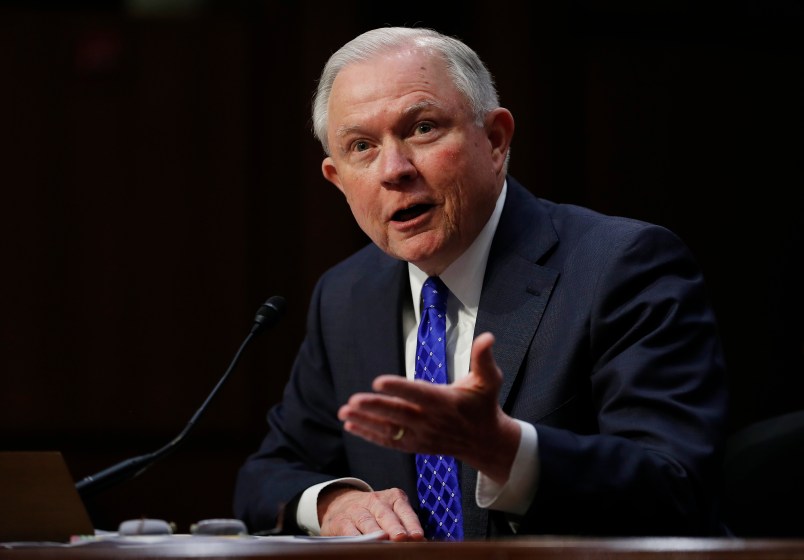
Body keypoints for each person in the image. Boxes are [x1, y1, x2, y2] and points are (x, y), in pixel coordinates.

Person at [233, 26, 729, 540]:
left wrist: (507, 452)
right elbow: (267, 475)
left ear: (495, 140)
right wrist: (334, 502)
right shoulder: (346, 295)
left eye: (423, 128)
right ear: (338, 179)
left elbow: (678, 487)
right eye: (362, 146)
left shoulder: (621, 266)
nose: (393, 170)